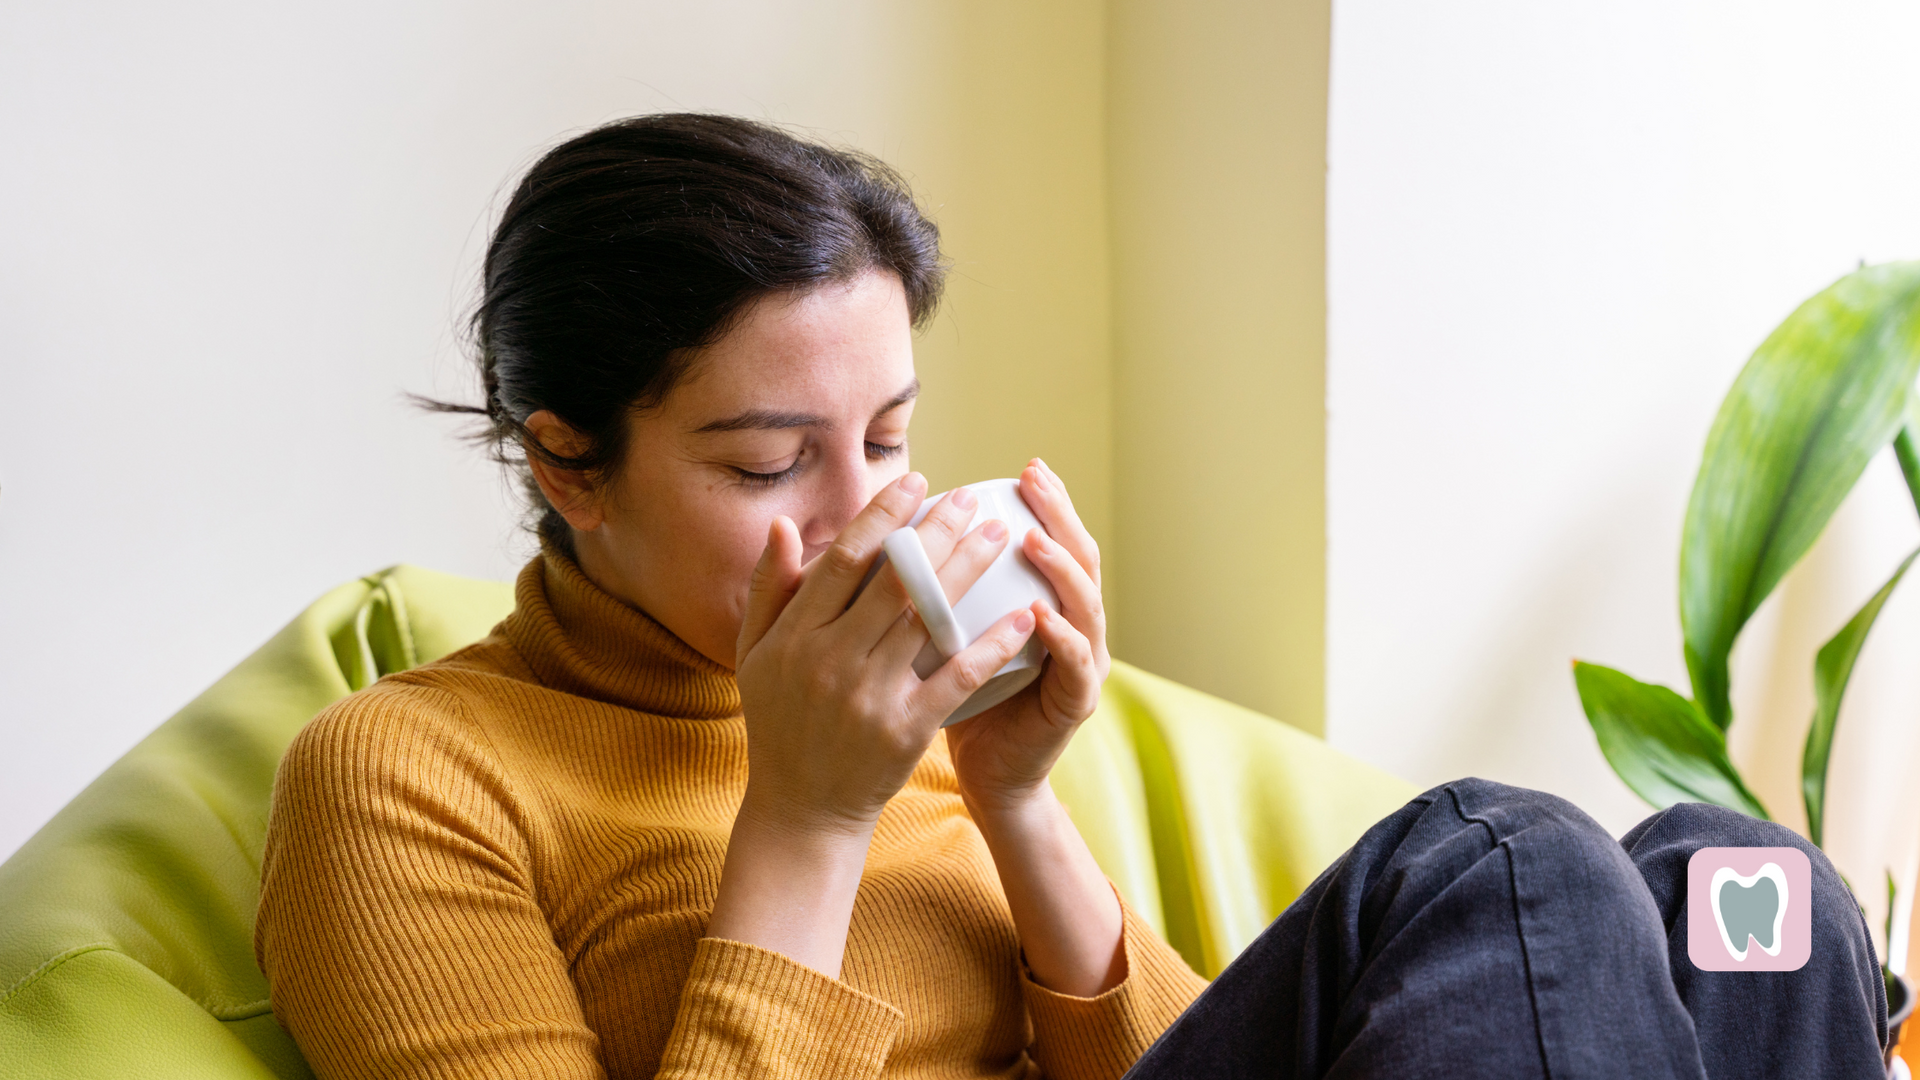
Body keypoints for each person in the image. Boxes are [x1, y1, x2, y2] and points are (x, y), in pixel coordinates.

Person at [254, 114, 1890, 1080]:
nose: (864, 513)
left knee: (1747, 893)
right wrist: (808, 825)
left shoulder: (916, 738)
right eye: (768, 465)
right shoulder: (407, 780)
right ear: (569, 466)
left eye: (889, 436)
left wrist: (1017, 799)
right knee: (1504, 859)